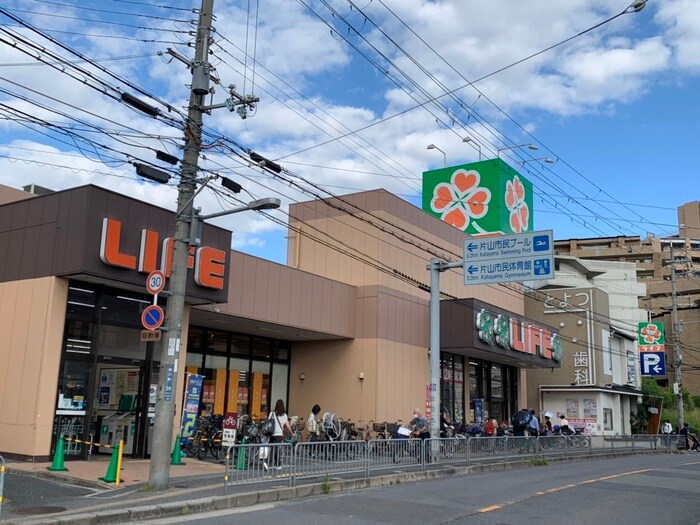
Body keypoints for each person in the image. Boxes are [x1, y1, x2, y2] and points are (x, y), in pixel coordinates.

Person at [268, 399, 293, 467]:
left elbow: (268, 422)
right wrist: (292, 433)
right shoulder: (284, 415)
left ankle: (268, 462)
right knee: (277, 449)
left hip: (271, 433)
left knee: (270, 448)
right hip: (279, 434)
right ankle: (277, 464)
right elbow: (288, 426)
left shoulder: (272, 413)